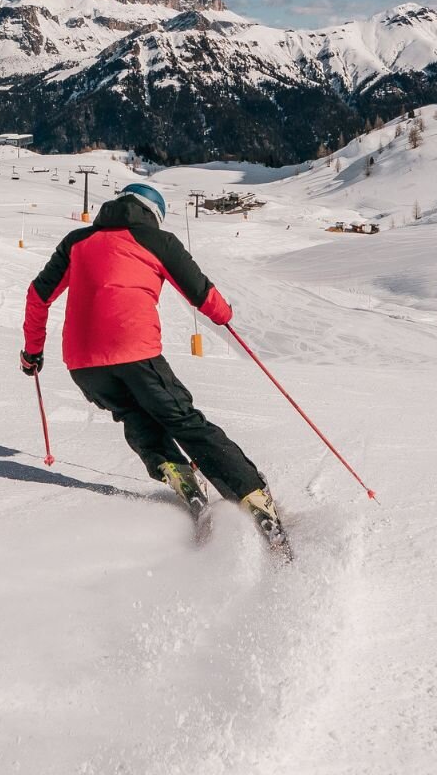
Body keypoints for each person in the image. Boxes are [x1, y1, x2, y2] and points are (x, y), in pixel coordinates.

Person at [21, 182, 288, 553]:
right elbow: (201, 292)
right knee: (183, 420)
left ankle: (175, 472)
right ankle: (252, 496)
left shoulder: (76, 241)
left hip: (83, 365)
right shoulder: (157, 241)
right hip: (134, 353)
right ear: (153, 215)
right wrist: (224, 315)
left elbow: (38, 296)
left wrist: (32, 352)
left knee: (134, 414)